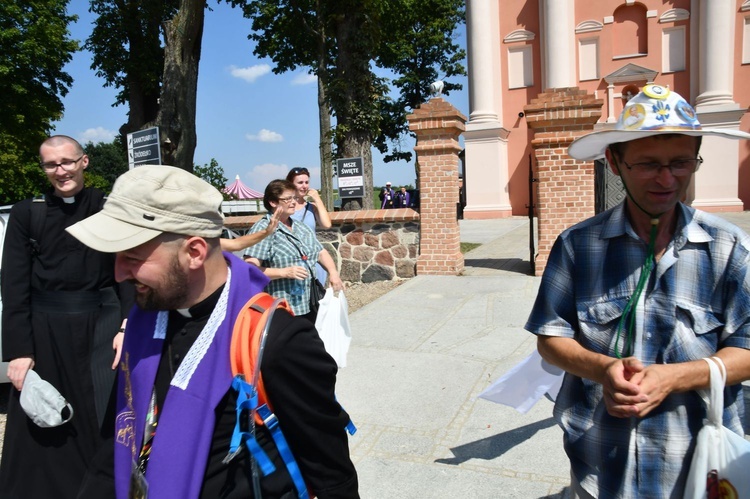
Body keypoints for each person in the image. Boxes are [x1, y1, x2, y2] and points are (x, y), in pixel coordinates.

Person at [67, 165, 359, 498]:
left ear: (194, 252)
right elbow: (118, 439)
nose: (119, 274)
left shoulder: (278, 340)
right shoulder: (144, 320)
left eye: (132, 258)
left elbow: (330, 472)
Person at [525, 84, 750, 498]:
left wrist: (675, 377)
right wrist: (602, 369)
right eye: (647, 165)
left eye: (681, 162)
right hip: (600, 468)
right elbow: (550, 338)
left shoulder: (730, 249)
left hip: (700, 472)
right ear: (614, 162)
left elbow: (747, 350)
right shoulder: (578, 246)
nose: (667, 180)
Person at [0, 135, 133, 499]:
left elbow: (127, 271)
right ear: (43, 169)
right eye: (51, 165)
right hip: (46, 333)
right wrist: (19, 350)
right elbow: (13, 285)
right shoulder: (30, 212)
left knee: (102, 419)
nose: (61, 171)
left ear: (84, 162)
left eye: (67, 162)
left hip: (103, 330)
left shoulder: (110, 207)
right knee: (45, 421)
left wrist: (128, 322)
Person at [243, 180, 344, 323]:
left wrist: (333, 273)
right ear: (273, 202)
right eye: (287, 199)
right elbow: (250, 270)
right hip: (283, 309)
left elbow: (321, 252)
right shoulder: (264, 229)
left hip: (310, 303)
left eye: (294, 198)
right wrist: (284, 272)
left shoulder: (300, 227)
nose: (293, 202)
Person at [286, 166, 332, 284]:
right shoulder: (285, 207)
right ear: (291, 184)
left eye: (306, 182)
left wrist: (317, 199)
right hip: (293, 262)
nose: (304, 186)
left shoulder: (311, 207)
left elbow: (326, 224)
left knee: (316, 299)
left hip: (313, 261)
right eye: (300, 182)